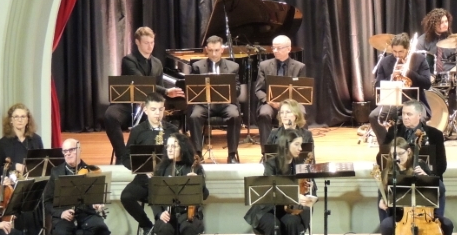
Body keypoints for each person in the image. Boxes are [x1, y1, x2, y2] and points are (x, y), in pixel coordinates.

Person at [381, 99, 453, 235]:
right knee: (382, 192)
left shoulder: (434, 134)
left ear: (419, 115)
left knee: (439, 195)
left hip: (425, 183)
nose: (405, 117)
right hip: (400, 179)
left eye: (409, 114)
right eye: (403, 114)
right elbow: (383, 156)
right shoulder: (394, 131)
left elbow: (441, 165)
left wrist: (427, 175)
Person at [103, 26, 185, 165]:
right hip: (128, 103)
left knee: (158, 117)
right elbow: (141, 82)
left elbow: (158, 88)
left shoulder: (157, 63)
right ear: (137, 42)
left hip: (148, 106)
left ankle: (149, 157)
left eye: (152, 42)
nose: (150, 46)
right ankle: (122, 156)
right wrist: (166, 91)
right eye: (146, 43)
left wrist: (162, 102)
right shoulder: (128, 60)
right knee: (110, 116)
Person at [243, 128, 316, 235]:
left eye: (301, 145)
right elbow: (269, 190)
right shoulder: (271, 164)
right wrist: (293, 194)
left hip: (291, 210)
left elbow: (312, 188)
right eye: (297, 144)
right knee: (273, 224)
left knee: (291, 222)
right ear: (286, 145)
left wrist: (310, 187)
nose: (300, 149)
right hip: (269, 208)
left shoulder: (301, 165)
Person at [376, 137, 448, 235]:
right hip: (401, 216)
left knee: (448, 225)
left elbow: (441, 189)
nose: (397, 158)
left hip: (424, 214)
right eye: (393, 155)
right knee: (385, 225)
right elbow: (382, 194)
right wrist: (381, 201)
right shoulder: (388, 171)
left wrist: (427, 177)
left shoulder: (420, 166)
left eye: (400, 154)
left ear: (408, 151)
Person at [119, 93, 179, 235]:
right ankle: (147, 226)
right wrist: (143, 169)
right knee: (126, 196)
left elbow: (182, 154)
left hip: (165, 181)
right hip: (144, 178)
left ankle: (165, 233)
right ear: (145, 110)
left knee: (159, 203)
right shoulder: (138, 131)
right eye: (153, 109)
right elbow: (125, 158)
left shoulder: (172, 130)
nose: (157, 113)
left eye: (160, 109)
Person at [42, 139, 110, 235]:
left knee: (103, 230)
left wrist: (96, 203)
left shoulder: (90, 171)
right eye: (65, 151)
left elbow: (96, 197)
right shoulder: (56, 172)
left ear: (79, 150)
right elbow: (47, 201)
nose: (67, 153)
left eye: (71, 150)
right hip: (64, 216)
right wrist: (61, 213)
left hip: (85, 214)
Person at [151, 133, 208, 235]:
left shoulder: (194, 168)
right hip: (167, 214)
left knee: (188, 228)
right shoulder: (162, 169)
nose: (169, 149)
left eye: (174, 146)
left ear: (182, 147)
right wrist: (159, 213)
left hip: (188, 214)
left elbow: (204, 195)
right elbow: (153, 198)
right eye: (168, 146)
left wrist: (198, 183)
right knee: (164, 229)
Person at [369, 33, 433, 145]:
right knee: (374, 116)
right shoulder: (385, 62)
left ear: (407, 49)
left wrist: (409, 72)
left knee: (416, 118)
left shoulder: (420, 60)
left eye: (401, 52)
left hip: (415, 101)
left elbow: (427, 84)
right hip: (393, 101)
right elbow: (377, 86)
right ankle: (385, 147)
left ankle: (413, 148)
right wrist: (391, 77)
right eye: (395, 51)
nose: (397, 55)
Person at [189, 34, 244, 164]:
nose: (214, 54)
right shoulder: (197, 66)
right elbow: (192, 89)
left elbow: (237, 90)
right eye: (211, 50)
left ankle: (232, 155)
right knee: (194, 116)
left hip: (226, 104)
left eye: (217, 50)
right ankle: (197, 154)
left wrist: (227, 91)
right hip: (204, 104)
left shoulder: (233, 66)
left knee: (235, 116)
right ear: (206, 50)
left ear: (222, 50)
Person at [254, 34, 307, 151]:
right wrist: (269, 101)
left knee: (301, 112)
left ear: (288, 49)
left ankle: (299, 150)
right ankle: (267, 152)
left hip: (291, 104)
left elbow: (301, 91)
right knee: (264, 114)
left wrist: (287, 105)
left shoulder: (299, 67)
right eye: (273, 48)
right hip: (270, 103)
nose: (275, 51)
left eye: (279, 48)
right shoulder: (264, 65)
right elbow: (259, 90)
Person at [0, 103, 44, 184]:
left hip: (32, 184)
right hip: (12, 185)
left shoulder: (36, 139)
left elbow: (42, 165)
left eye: (23, 116)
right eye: (16, 117)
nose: (20, 120)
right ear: (11, 120)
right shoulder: (3, 142)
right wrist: (15, 166)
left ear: (28, 120)